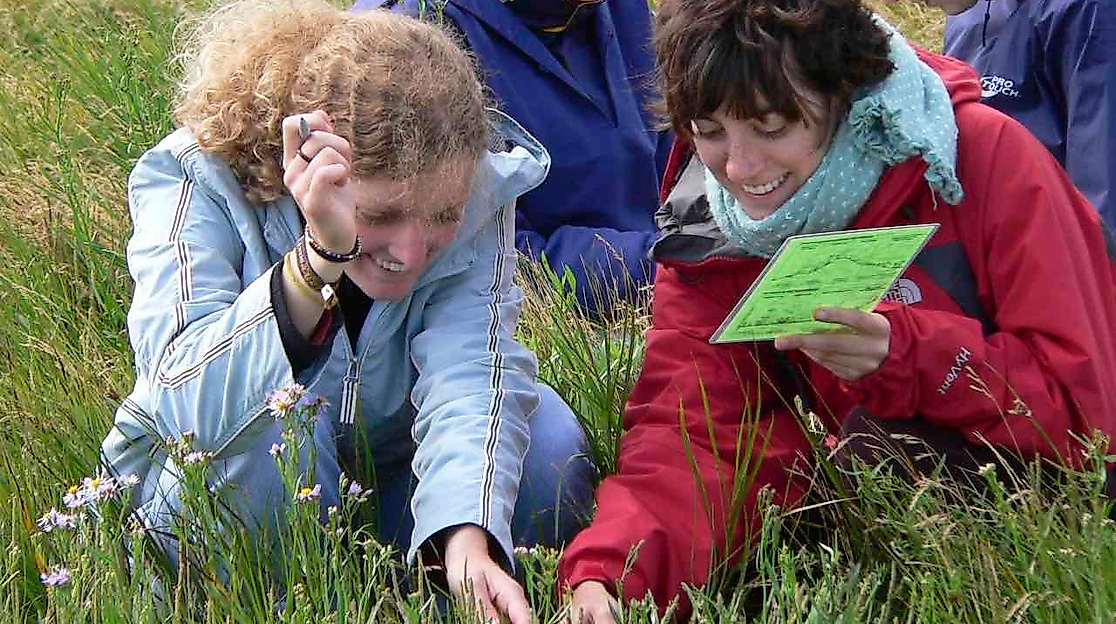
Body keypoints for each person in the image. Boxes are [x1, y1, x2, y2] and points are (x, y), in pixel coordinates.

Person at [556, 0, 1116, 620]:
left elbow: (1090, 417)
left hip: (1047, 517)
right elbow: (694, 436)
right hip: (852, 492)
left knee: (874, 448)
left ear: (844, 92)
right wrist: (611, 577)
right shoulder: (708, 229)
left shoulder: (983, 158)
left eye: (771, 127)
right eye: (708, 131)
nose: (739, 169)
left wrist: (912, 355)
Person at [98, 2, 593, 622]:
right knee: (280, 423)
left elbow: (474, 370)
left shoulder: (473, 187)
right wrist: (318, 260)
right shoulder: (195, 178)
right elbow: (180, 401)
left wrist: (464, 534)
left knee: (548, 439)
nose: (410, 254)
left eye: (441, 217)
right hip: (222, 493)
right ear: (305, 161)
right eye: (381, 216)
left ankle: (440, 592)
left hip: (387, 479)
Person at [351, 0, 672, 315]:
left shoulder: (627, 12)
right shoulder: (414, 43)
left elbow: (691, 150)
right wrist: (671, 264)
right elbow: (493, 260)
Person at [921, 0, 1115, 226]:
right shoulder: (965, 15)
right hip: (990, 236)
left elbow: (1101, 168)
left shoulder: (1087, 11)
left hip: (1052, 235)